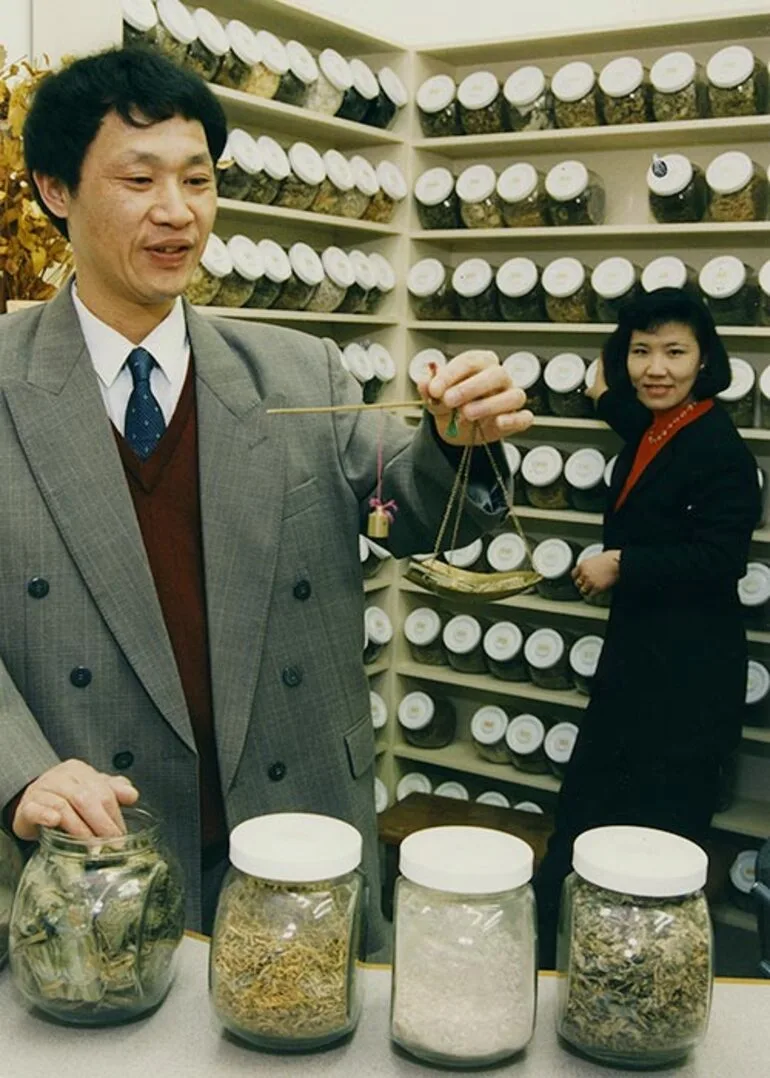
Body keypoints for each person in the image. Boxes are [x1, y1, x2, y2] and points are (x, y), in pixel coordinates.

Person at [0, 48, 532, 945]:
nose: (178, 212)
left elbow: (401, 514)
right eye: (140, 179)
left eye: (199, 180)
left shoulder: (295, 368)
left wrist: (454, 441)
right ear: (56, 190)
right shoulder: (9, 384)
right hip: (94, 841)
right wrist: (20, 772)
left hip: (294, 826)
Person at [534, 287, 760, 966]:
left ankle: (639, 979)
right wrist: (604, 393)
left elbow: (722, 558)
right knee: (586, 820)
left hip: (688, 678)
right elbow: (633, 416)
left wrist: (621, 564)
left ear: (705, 360)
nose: (654, 367)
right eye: (640, 351)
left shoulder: (719, 448)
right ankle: (560, 963)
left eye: (674, 351)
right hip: (640, 664)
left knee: (657, 833)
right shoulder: (660, 425)